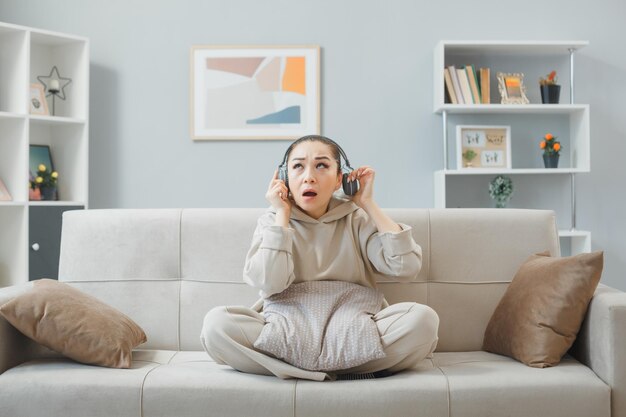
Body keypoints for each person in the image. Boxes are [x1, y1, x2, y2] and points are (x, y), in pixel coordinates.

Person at [201, 135, 439, 381]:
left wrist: (367, 203)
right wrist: (282, 216)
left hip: (354, 327)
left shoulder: (357, 218)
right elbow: (270, 283)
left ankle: (296, 370)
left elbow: (406, 267)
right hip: (285, 329)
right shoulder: (271, 221)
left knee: (423, 321)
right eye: (298, 166)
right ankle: (346, 370)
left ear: (340, 180)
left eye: (321, 165)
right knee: (216, 325)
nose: (309, 176)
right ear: (284, 179)